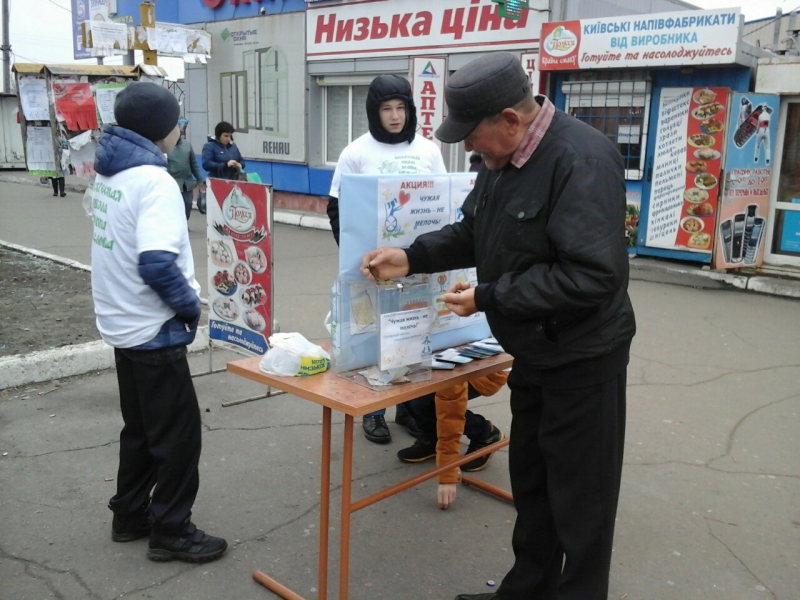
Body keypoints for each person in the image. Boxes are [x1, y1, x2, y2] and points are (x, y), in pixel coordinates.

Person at [361, 52, 636, 600]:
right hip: (534, 354)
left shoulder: (581, 159)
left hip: (583, 361)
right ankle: (526, 592)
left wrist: (489, 296)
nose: (468, 147)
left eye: (473, 134)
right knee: (534, 488)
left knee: (581, 507)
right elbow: (472, 230)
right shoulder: (501, 164)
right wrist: (411, 256)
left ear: (511, 120)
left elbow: (592, 277)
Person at [329, 74, 505, 455]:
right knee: (370, 337)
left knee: (413, 336)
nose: (394, 116)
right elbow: (336, 208)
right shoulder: (355, 152)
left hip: (421, 263)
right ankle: (372, 411)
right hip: (371, 266)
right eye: (386, 109)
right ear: (373, 113)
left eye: (400, 108)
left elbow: (444, 203)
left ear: (410, 110)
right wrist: (352, 254)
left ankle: (412, 410)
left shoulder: (428, 149)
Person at [91, 82, 227, 564]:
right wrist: (191, 307)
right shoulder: (154, 182)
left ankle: (129, 514)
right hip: (153, 328)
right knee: (178, 436)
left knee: (143, 429)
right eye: (176, 119)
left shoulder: (111, 173)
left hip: (121, 323)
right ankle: (172, 529)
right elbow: (156, 264)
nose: (180, 127)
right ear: (162, 127)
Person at [398, 374, 507, 510]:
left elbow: (450, 414)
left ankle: (486, 434)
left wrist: (447, 473)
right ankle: (433, 437)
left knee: (428, 402)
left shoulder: (449, 370)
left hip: (484, 374)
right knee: (410, 392)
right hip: (437, 368)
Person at [167, 133, 204, 220]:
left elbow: (193, 164)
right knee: (173, 206)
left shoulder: (187, 146)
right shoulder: (165, 146)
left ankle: (184, 222)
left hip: (187, 183)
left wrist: (199, 179)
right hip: (172, 183)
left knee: (188, 204)